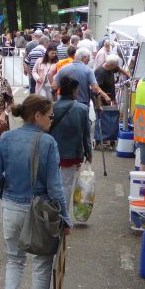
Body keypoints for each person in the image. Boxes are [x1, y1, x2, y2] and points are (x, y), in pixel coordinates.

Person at [0, 95, 68, 289]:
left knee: (15, 259)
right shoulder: (48, 142)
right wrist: (65, 216)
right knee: (42, 263)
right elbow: (55, 186)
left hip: (12, 205)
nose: (52, 120)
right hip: (40, 210)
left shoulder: (6, 138)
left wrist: (4, 189)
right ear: (38, 116)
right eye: (50, 115)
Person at [49, 77, 91, 222]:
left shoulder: (51, 107)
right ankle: (63, 215)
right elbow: (86, 134)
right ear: (74, 91)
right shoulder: (82, 109)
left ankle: (51, 211)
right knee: (66, 184)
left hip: (51, 150)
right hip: (72, 152)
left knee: (52, 182)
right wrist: (88, 153)